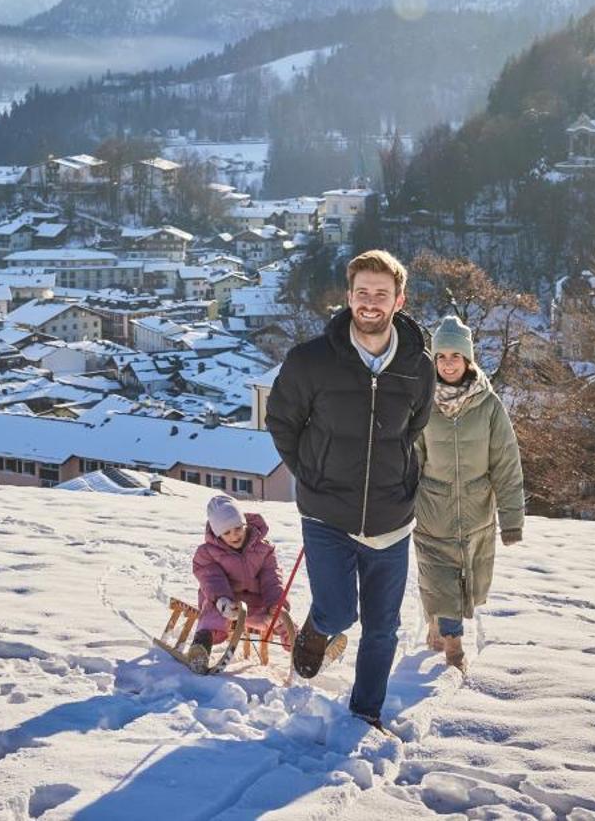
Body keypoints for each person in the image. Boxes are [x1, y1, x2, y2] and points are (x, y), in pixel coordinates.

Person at [265, 249, 434, 728]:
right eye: (362, 293)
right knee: (340, 613)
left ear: (399, 300)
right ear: (349, 297)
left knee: (383, 628)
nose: (370, 303)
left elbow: (414, 427)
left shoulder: (417, 367)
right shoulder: (310, 361)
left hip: (392, 517)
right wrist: (310, 473)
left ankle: (365, 713)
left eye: (381, 294)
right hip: (326, 514)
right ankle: (319, 629)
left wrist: (401, 478)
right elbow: (281, 420)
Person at [413, 314, 525, 673]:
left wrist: (511, 520)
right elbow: (410, 461)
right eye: (441, 356)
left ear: (468, 360)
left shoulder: (490, 407)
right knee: (439, 581)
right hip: (432, 512)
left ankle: (439, 623)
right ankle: (453, 646)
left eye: (455, 356)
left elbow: (506, 465)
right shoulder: (421, 406)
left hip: (477, 513)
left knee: (469, 587)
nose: (447, 364)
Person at [186, 494, 287, 672]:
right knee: (213, 612)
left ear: (245, 524)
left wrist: (276, 604)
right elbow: (211, 578)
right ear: (218, 534)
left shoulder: (263, 549)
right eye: (226, 532)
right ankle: (201, 647)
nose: (234, 535)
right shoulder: (208, 553)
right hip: (225, 601)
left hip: (255, 603)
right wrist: (222, 600)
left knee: (280, 618)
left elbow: (272, 577)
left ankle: (307, 648)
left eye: (238, 528)